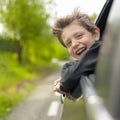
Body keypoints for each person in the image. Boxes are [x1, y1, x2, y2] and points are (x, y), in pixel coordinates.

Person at [52, 9, 101, 102]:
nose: (74, 44)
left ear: (95, 34)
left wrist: (63, 85)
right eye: (69, 43)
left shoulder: (103, 49)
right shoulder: (86, 65)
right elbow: (78, 68)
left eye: (79, 36)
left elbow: (77, 70)